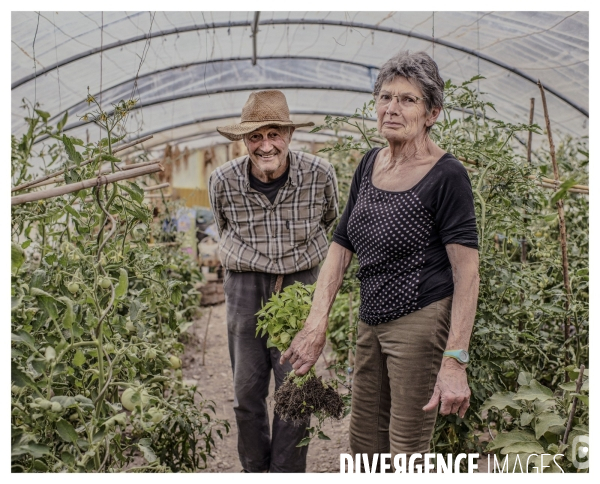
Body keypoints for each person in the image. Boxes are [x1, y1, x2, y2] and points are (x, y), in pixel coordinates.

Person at [281, 51, 480, 470]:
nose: (392, 108)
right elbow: (341, 244)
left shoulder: (446, 175)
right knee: (364, 446)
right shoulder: (371, 163)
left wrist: (455, 360)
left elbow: (467, 272)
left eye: (407, 100)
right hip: (370, 320)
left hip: (419, 320)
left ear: (432, 113)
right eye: (385, 97)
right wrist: (316, 325)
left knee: (407, 450)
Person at [208, 90, 339, 473]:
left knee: (294, 389)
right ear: (244, 141)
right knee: (246, 392)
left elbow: (329, 221)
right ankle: (255, 470)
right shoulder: (223, 181)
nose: (266, 145)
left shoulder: (319, 174)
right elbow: (223, 227)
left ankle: (286, 473)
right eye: (255, 137)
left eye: (274, 134)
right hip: (245, 287)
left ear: (289, 135)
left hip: (300, 286)